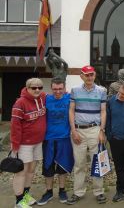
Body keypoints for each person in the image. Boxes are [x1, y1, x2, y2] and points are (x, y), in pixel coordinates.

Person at [66, 66, 107, 205]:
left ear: (94, 75)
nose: (89, 77)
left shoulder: (102, 91)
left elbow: (103, 111)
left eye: (91, 75)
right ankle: (78, 192)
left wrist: (102, 130)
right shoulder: (75, 90)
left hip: (95, 130)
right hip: (78, 131)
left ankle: (99, 191)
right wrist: (73, 130)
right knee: (79, 164)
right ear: (82, 76)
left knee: (98, 162)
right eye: (87, 75)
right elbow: (71, 110)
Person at [37, 78, 74, 205]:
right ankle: (48, 192)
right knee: (48, 166)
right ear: (51, 88)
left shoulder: (70, 98)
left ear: (64, 88)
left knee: (63, 165)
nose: (58, 91)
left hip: (64, 138)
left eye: (60, 89)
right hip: (48, 138)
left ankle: (62, 190)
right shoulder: (46, 99)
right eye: (55, 89)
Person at [10, 78, 46, 208]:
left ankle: (25, 195)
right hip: (24, 144)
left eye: (40, 87)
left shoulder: (42, 98)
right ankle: (19, 201)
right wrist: (15, 144)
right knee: (21, 172)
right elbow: (15, 125)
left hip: (38, 142)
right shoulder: (20, 103)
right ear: (27, 88)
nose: (37, 90)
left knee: (31, 170)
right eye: (33, 87)